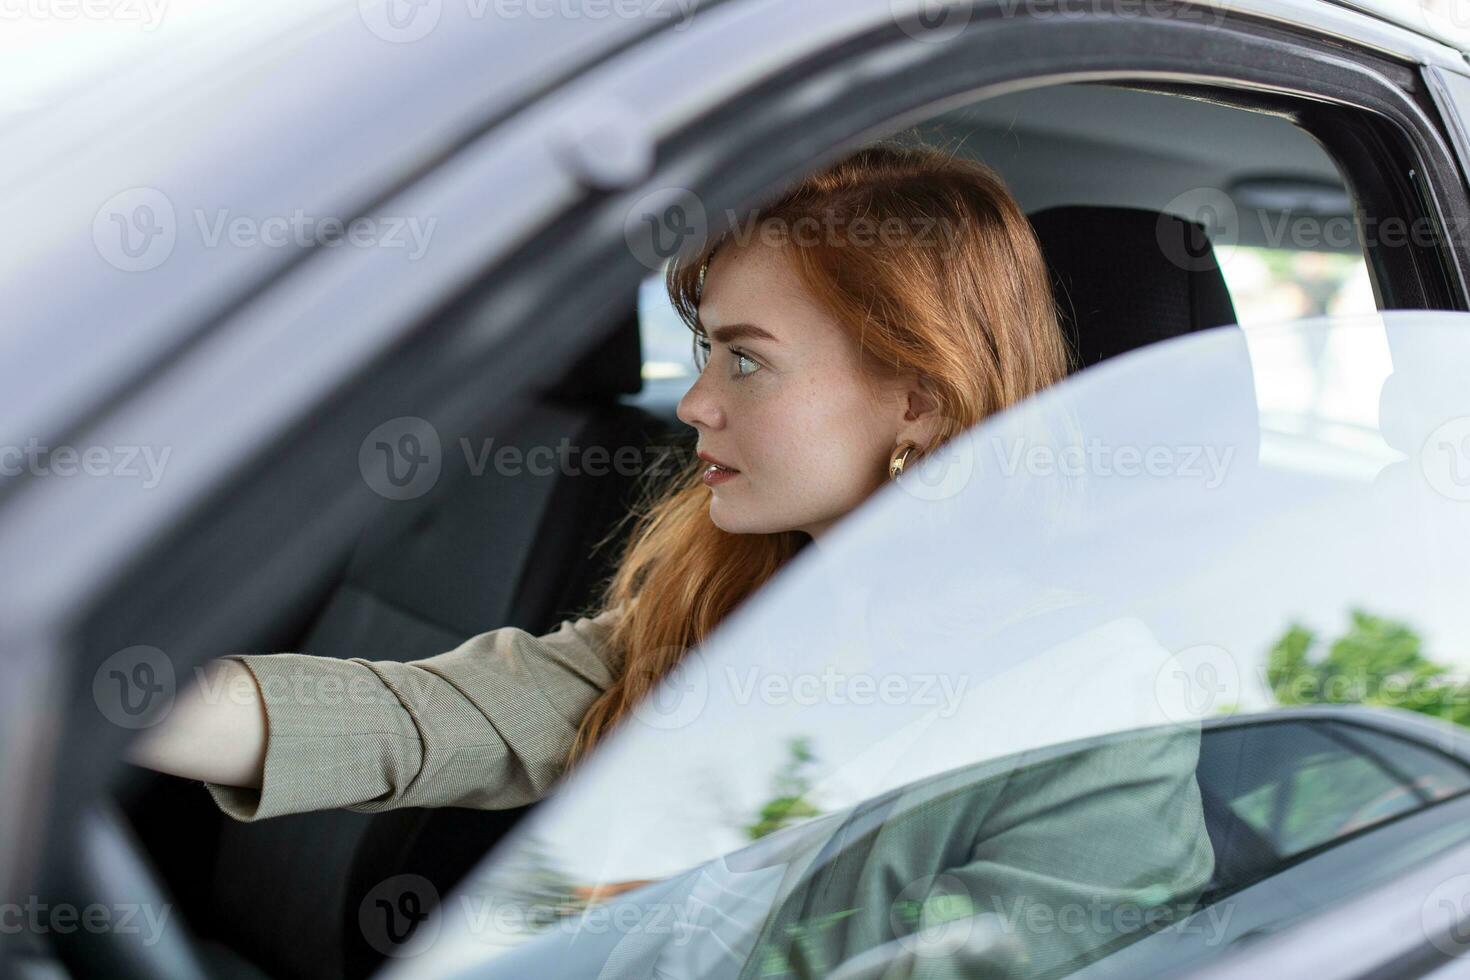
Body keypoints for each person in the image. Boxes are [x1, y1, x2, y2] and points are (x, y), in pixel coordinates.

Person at [127, 139, 1074, 822]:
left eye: (746, 361)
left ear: (918, 400)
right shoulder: (712, 608)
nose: (693, 404)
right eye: (704, 351)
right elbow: (421, 718)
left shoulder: (1081, 711)